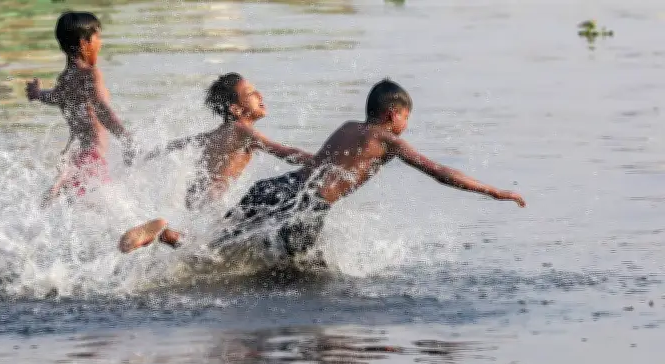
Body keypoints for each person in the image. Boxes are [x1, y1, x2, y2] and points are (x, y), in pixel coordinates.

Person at [118, 78, 526, 258]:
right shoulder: (388, 141)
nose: (407, 125)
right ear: (393, 114)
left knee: (219, 244)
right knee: (290, 271)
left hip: (280, 188)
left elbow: (313, 161)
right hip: (305, 206)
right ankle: (167, 234)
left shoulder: (349, 126)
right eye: (406, 116)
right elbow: (439, 171)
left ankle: (166, 233)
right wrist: (494, 191)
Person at [135, 72, 314, 211]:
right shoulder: (242, 130)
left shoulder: (218, 133)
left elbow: (180, 144)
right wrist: (320, 161)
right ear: (235, 109)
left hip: (195, 201)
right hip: (214, 204)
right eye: (251, 93)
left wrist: (144, 155)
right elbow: (282, 152)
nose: (260, 95)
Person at [26, 11, 136, 206]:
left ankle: (58, 185)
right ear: (85, 43)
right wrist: (125, 137)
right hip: (92, 159)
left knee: (72, 209)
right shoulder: (91, 74)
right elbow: (101, 108)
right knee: (105, 210)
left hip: (75, 158)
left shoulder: (65, 78)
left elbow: (55, 97)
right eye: (98, 37)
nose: (100, 43)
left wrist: (37, 94)